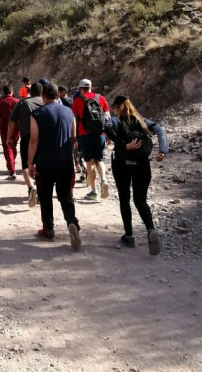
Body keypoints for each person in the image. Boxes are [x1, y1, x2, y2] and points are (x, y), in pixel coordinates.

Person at [105, 95, 168, 255]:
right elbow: (160, 129)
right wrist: (162, 151)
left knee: (124, 198)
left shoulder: (115, 120)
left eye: (114, 108)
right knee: (141, 201)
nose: (113, 110)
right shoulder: (141, 121)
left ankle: (129, 236)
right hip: (142, 165)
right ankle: (150, 229)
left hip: (121, 164)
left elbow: (107, 127)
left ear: (117, 107)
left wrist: (123, 145)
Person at [28, 82, 81, 250]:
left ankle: (49, 229)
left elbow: (34, 140)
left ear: (43, 95)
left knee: (45, 197)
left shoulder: (37, 113)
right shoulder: (69, 111)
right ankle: (71, 222)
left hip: (45, 164)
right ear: (58, 95)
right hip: (66, 163)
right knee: (66, 196)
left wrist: (30, 162)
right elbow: (73, 138)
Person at [72, 78, 110, 200]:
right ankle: (103, 180)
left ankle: (94, 191)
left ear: (80, 89)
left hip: (85, 134)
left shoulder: (77, 100)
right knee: (100, 159)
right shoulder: (101, 98)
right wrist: (108, 135)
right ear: (91, 87)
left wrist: (74, 137)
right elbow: (107, 118)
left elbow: (74, 120)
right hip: (100, 134)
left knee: (89, 162)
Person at [7, 82, 43, 206]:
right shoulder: (46, 102)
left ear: (29, 92)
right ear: (42, 92)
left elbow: (12, 122)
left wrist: (9, 138)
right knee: (40, 165)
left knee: (26, 165)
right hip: (43, 138)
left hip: (27, 138)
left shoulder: (22, 103)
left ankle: (30, 187)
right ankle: (40, 188)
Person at [0, 85, 19, 180]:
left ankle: (12, 170)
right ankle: (11, 165)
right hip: (16, 128)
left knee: (7, 148)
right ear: (11, 91)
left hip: (5, 128)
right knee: (13, 146)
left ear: (4, 92)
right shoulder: (16, 101)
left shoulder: (0, 102)